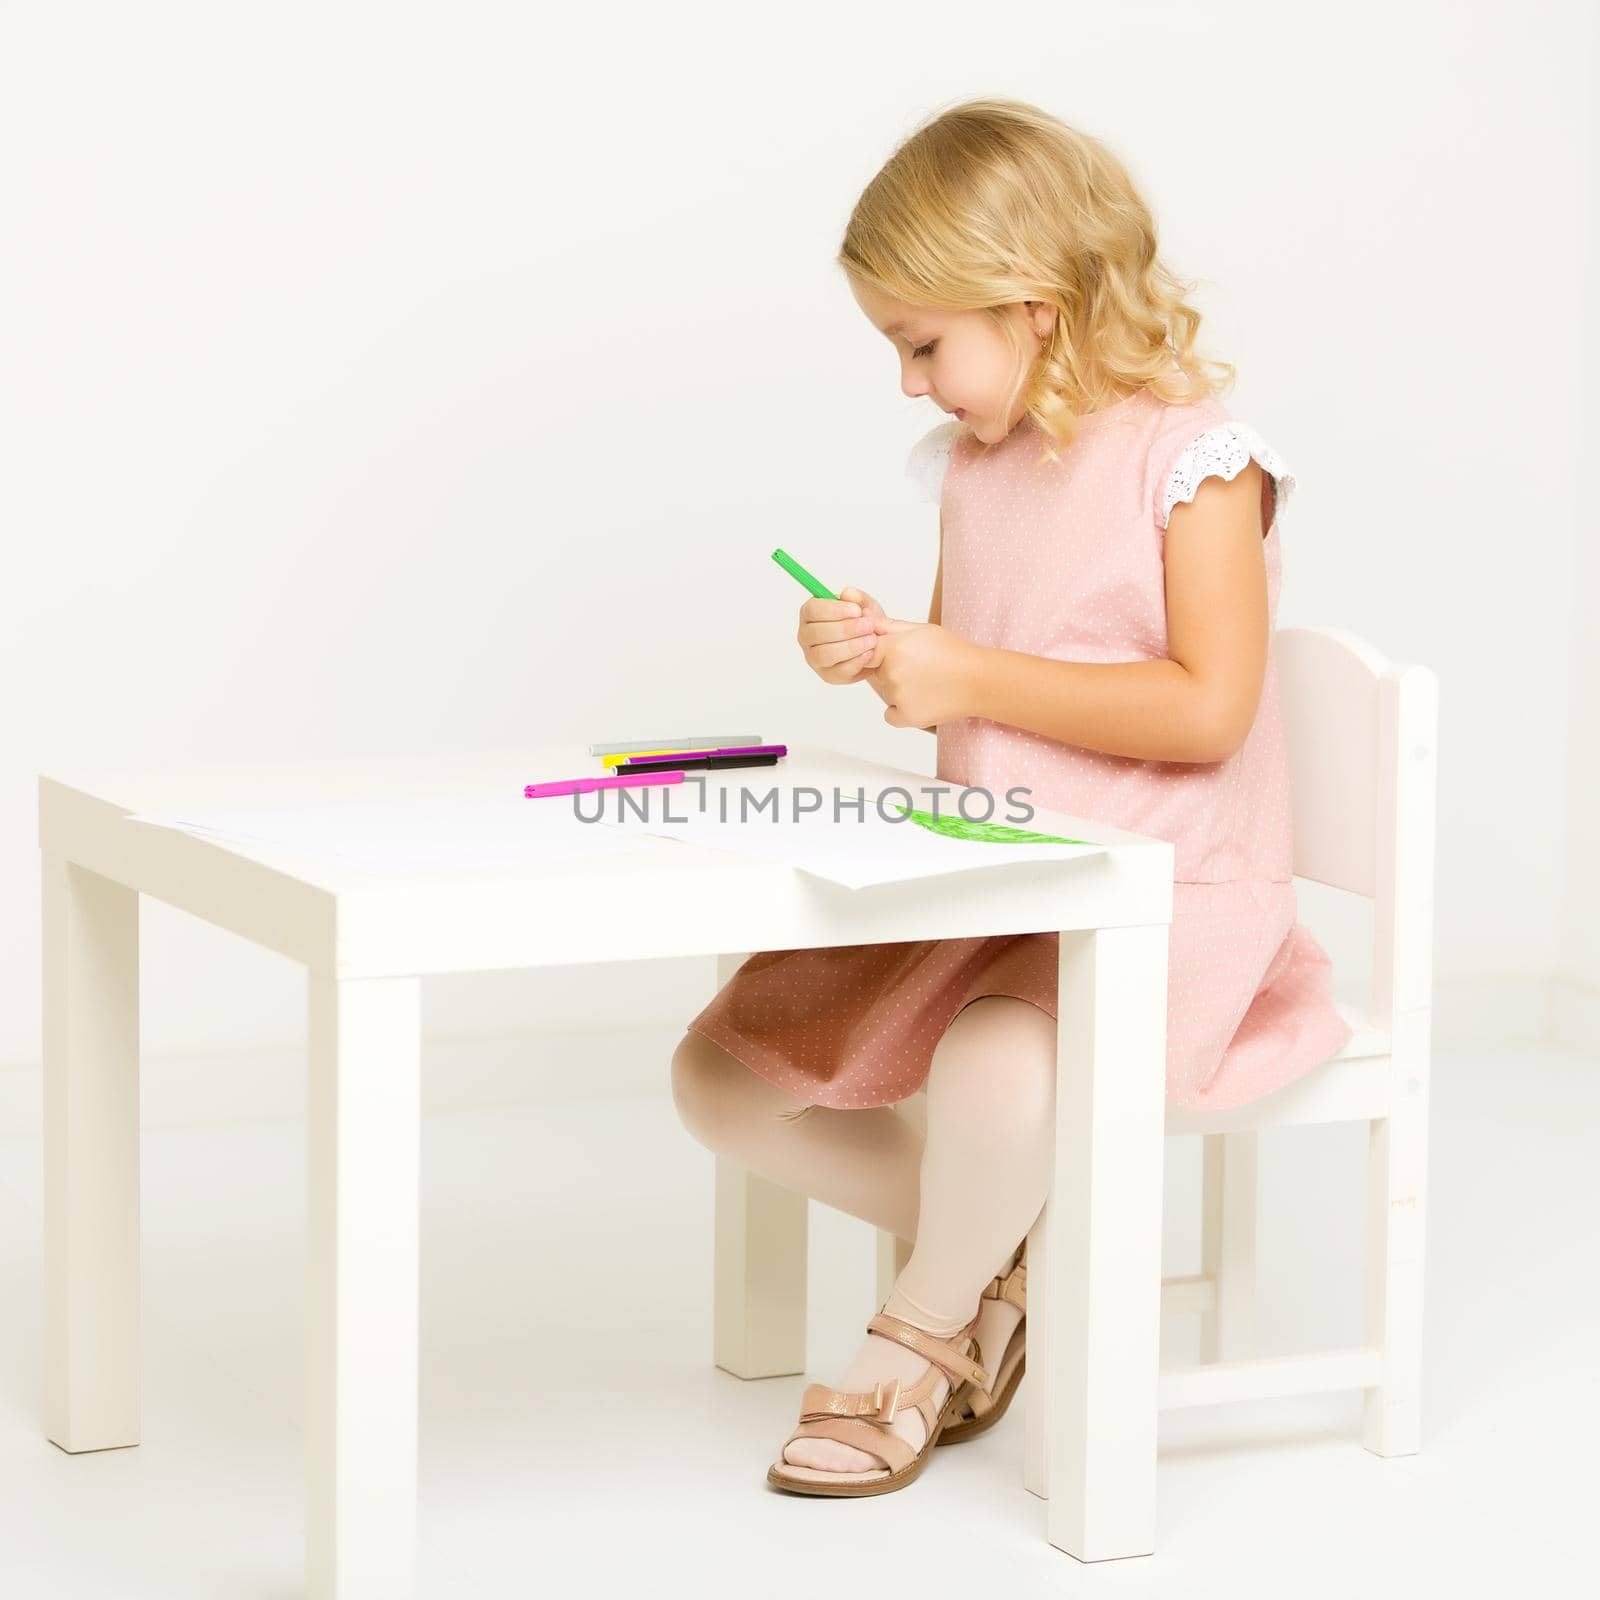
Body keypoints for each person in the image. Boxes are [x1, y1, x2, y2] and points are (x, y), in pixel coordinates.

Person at [670, 97, 1354, 1498]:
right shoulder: (978, 471)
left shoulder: (1197, 466)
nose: (911, 385)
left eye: (922, 344)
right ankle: (1006, 1260)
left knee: (996, 1058)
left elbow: (1209, 709)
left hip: (1159, 896)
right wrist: (885, 661)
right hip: (999, 876)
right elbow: (973, 682)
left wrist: (967, 667)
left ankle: (923, 1339)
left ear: (1034, 306)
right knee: (727, 1074)